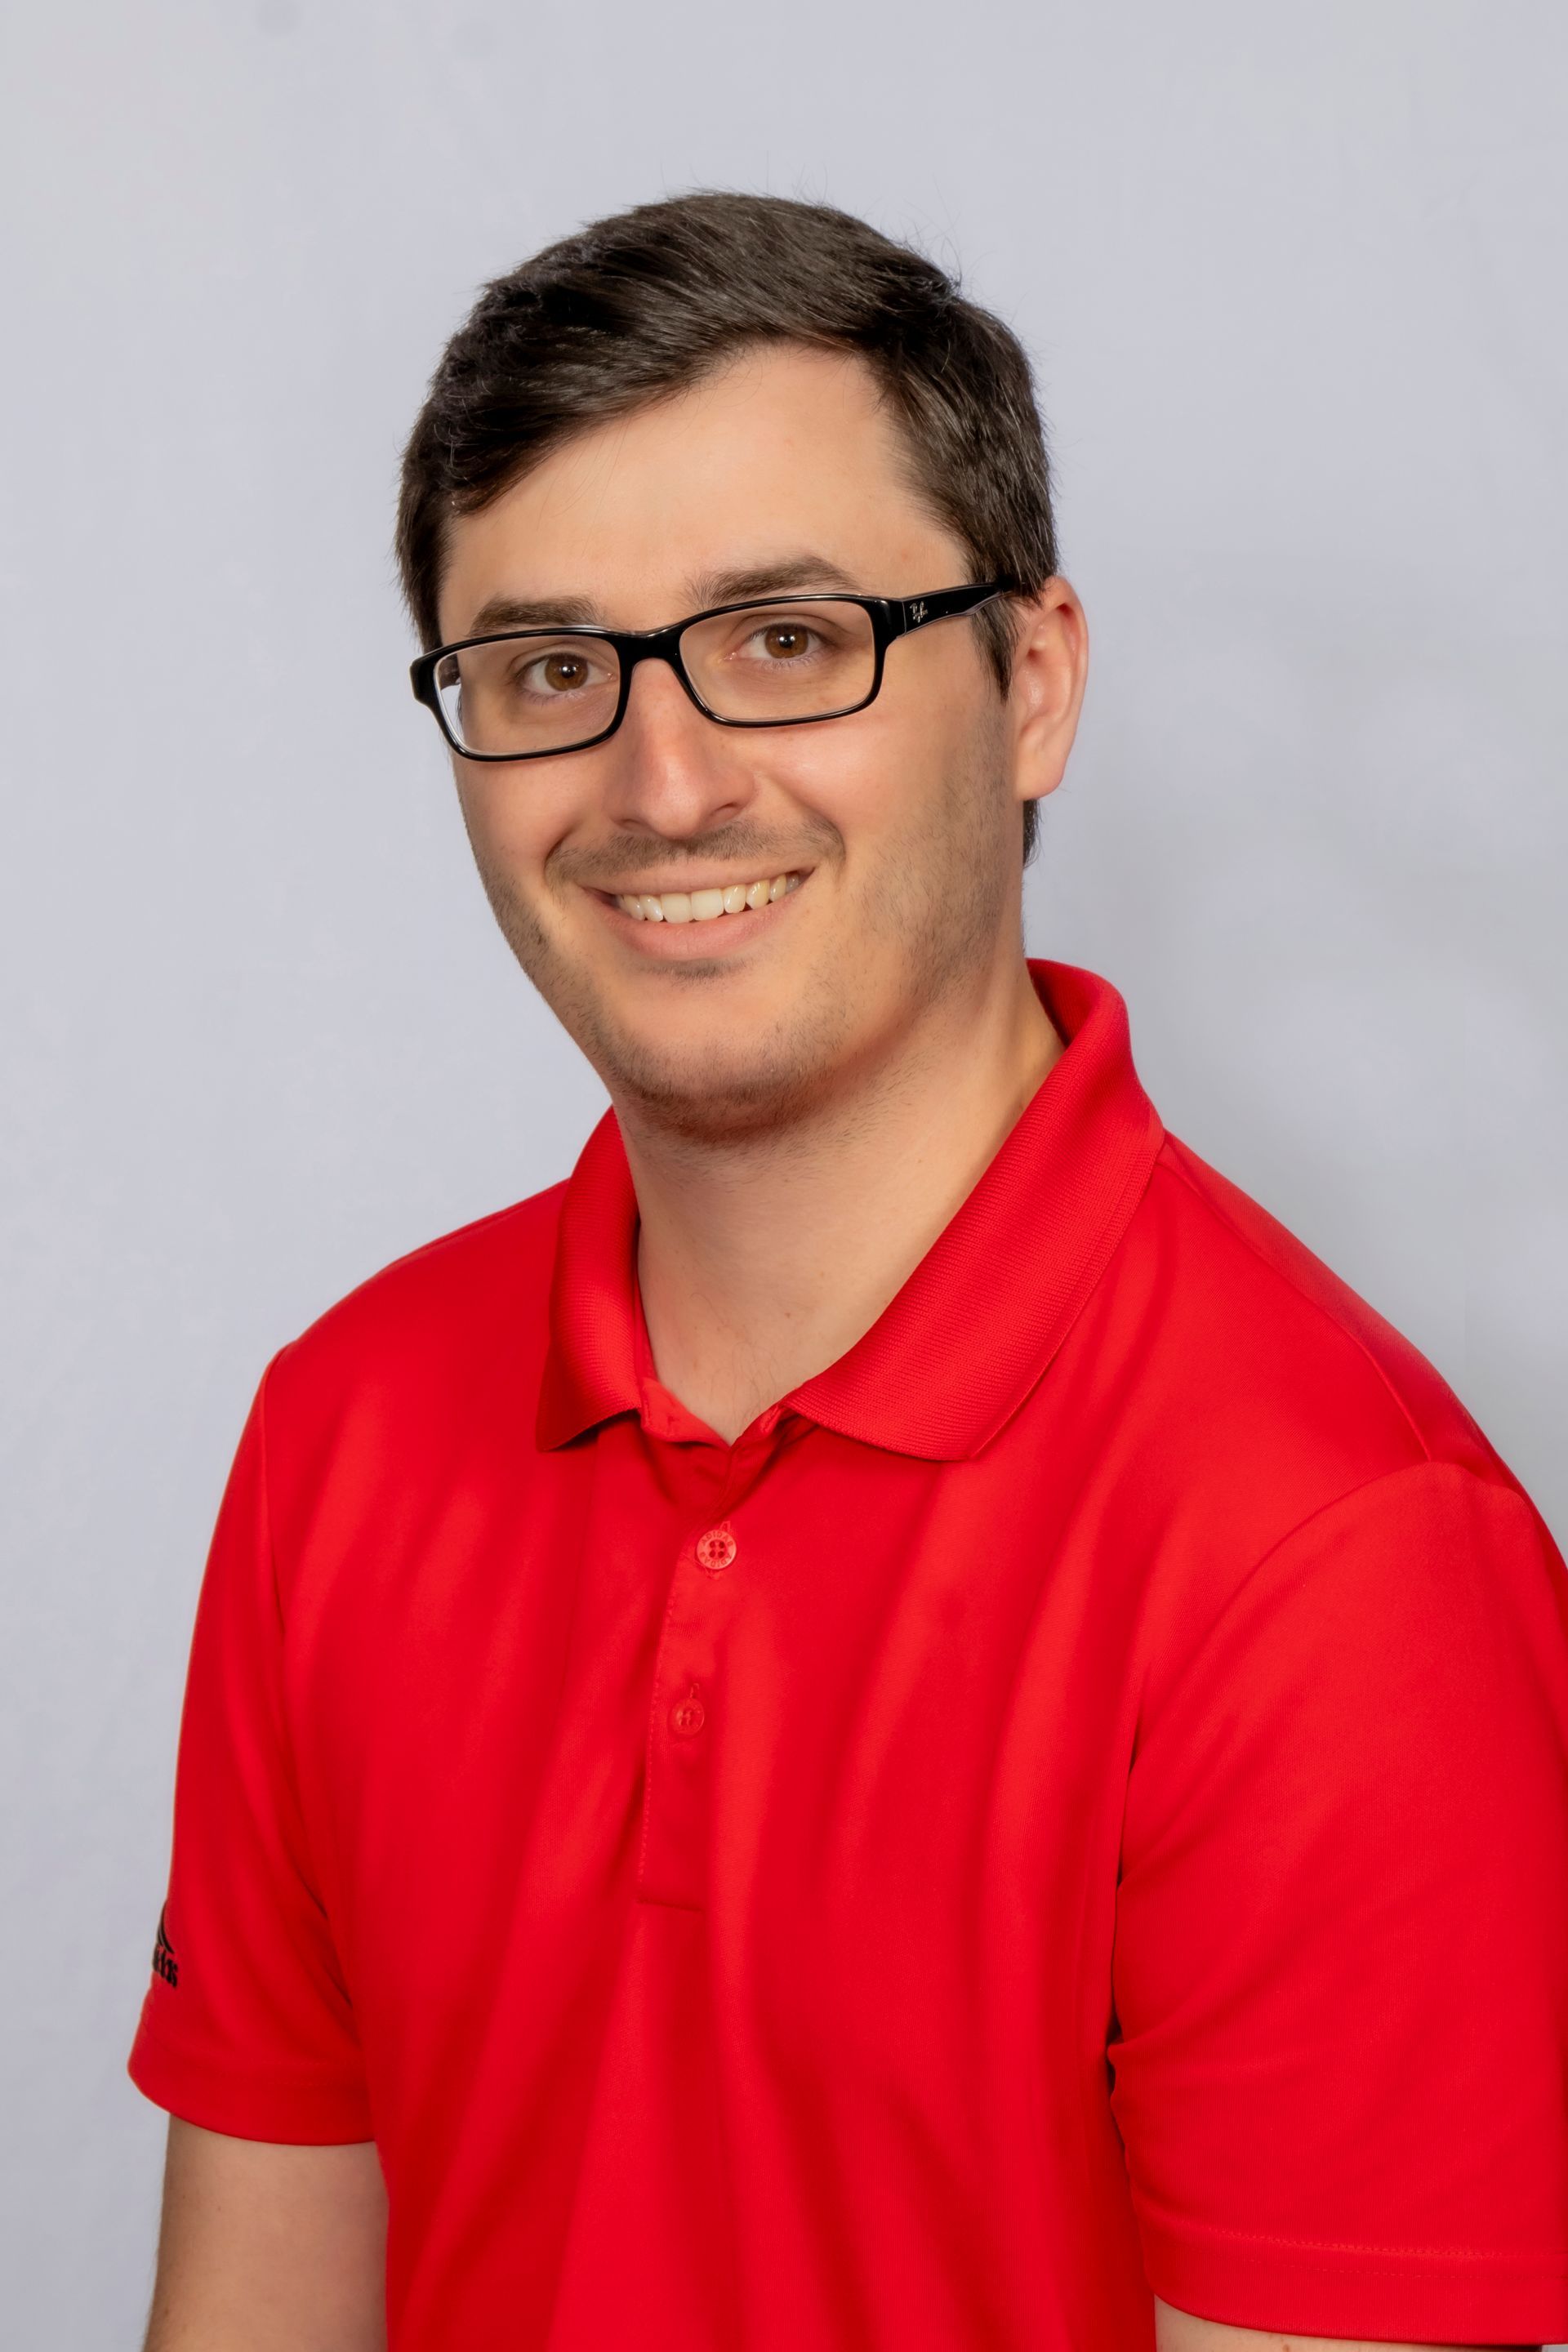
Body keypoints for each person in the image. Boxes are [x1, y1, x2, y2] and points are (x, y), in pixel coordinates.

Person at [127, 190, 1568, 2352]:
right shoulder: (342, 1428)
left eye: (787, 639)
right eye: (546, 669)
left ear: (1034, 687)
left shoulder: (1343, 1557)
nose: (663, 778)